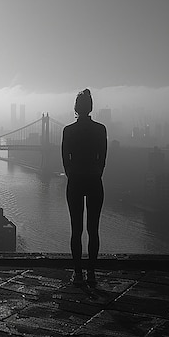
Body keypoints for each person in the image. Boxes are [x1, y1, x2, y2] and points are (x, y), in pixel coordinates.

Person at [61, 89, 107, 286]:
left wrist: (72, 174)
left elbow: (65, 158)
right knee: (93, 229)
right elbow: (102, 158)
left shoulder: (68, 130)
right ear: (90, 107)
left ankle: (78, 273)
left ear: (75, 108)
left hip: (75, 181)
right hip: (94, 180)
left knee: (76, 229)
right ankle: (92, 273)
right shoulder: (100, 129)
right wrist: (96, 173)